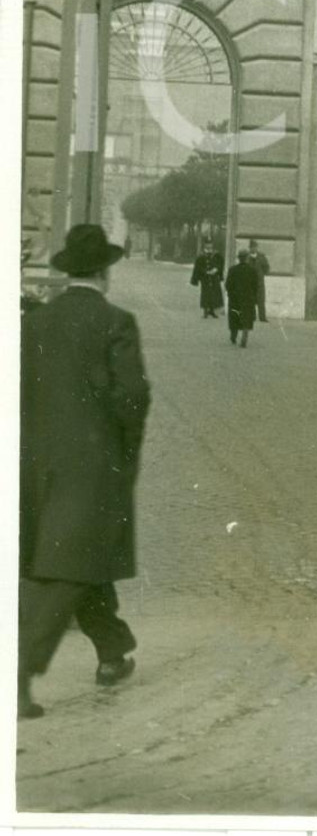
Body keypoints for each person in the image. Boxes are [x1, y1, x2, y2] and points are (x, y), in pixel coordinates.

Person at [19, 223, 151, 720]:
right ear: (103, 272)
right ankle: (18, 673)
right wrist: (125, 455)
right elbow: (132, 398)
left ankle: (112, 652)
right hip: (91, 465)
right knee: (68, 566)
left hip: (33, 462)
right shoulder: (117, 322)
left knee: (70, 552)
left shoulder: (33, 323)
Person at [225, 249, 259, 347]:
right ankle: (244, 337)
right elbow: (255, 286)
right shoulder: (252, 271)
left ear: (238, 258)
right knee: (246, 318)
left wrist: (230, 294)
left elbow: (228, 285)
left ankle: (233, 335)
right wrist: (254, 298)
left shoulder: (232, 270)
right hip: (248, 299)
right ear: (247, 258)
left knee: (234, 317)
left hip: (235, 298)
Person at [190, 237, 224, 318]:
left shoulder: (217, 255)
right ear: (205, 246)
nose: (209, 247)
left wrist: (216, 269)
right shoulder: (201, 256)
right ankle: (205, 311)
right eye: (207, 245)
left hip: (214, 277)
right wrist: (204, 272)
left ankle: (212, 311)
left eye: (210, 245)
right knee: (205, 294)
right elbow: (198, 267)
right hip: (205, 278)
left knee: (214, 293)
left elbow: (220, 263)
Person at [246, 238, 271, 322]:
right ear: (250, 248)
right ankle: (252, 317)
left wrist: (262, 274)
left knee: (261, 300)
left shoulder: (261, 256)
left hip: (259, 282)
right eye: (252, 247)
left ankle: (262, 317)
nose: (253, 249)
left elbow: (266, 267)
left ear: (257, 247)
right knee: (250, 300)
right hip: (249, 282)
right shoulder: (247, 257)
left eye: (255, 247)